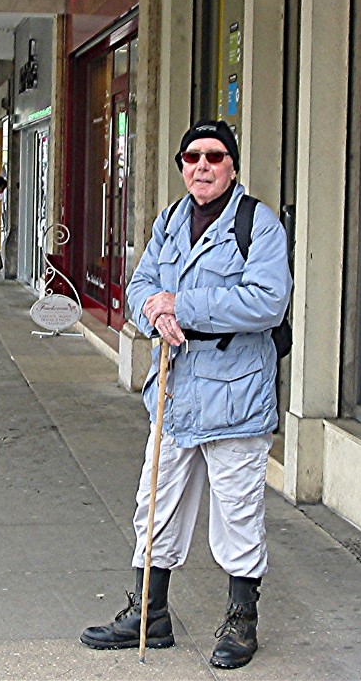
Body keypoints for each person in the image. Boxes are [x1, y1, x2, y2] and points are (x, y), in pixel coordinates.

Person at [79, 120, 292, 670]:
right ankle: (149, 613)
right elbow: (140, 286)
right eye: (192, 156)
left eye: (215, 156)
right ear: (181, 165)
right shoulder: (171, 219)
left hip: (236, 397)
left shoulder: (258, 224)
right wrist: (153, 309)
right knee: (155, 506)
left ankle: (242, 619)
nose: (203, 165)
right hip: (175, 394)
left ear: (232, 165)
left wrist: (183, 306)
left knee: (237, 512)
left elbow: (268, 302)